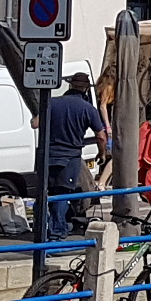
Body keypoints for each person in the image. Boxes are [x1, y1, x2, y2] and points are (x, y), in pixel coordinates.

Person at [37, 73, 110, 240]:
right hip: (70, 157)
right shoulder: (87, 108)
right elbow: (101, 136)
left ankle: (46, 227)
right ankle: (57, 231)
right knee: (63, 193)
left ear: (70, 85)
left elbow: (35, 123)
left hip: (48, 155)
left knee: (47, 192)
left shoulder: (52, 102)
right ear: (85, 88)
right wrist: (102, 153)